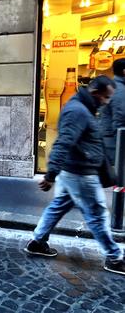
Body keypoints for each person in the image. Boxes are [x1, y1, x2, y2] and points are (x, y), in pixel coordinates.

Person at [24, 75, 125, 275]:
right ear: (95, 93)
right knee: (96, 214)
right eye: (106, 97)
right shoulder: (77, 111)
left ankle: (37, 241)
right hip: (80, 172)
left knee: (58, 206)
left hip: (74, 170)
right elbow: (64, 143)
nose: (106, 103)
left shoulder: (82, 107)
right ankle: (114, 258)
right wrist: (50, 174)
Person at [99, 58, 125, 165]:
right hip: (114, 144)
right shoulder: (120, 90)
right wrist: (122, 147)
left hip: (108, 141)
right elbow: (120, 122)